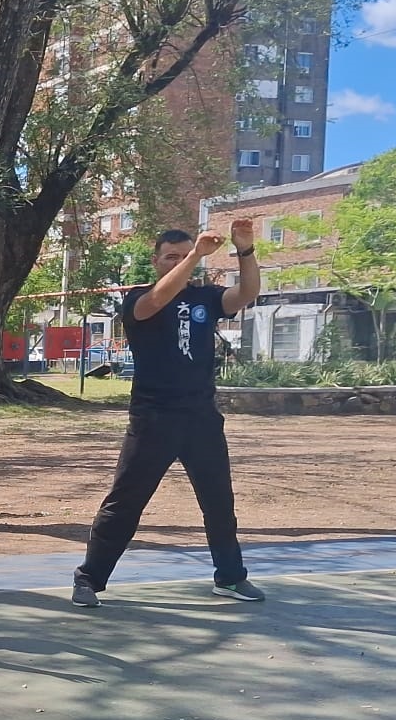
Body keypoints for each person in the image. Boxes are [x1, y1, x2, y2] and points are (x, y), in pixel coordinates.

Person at [71, 223, 264, 607]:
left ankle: (229, 576)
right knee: (125, 503)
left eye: (184, 254)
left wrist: (245, 250)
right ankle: (89, 578)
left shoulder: (206, 298)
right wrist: (195, 257)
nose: (179, 262)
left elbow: (247, 293)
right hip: (153, 418)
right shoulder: (139, 297)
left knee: (218, 502)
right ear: (156, 261)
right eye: (170, 257)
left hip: (201, 417)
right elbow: (157, 302)